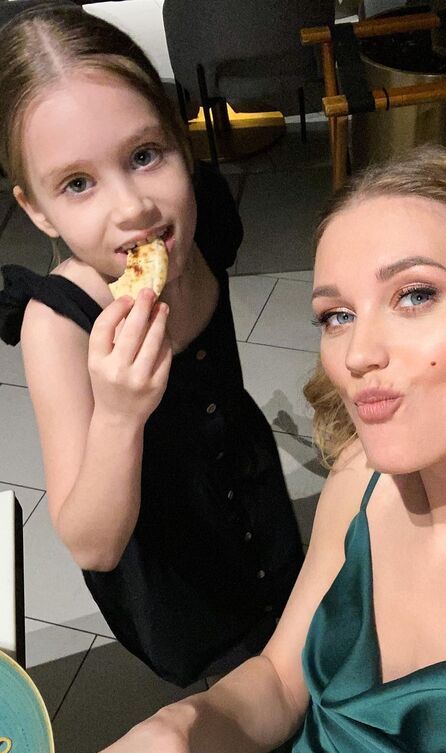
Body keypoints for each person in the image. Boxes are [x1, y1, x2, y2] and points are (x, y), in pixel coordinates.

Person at [52, 143, 446, 753]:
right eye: (337, 315)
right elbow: (279, 683)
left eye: (414, 295)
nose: (358, 353)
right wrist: (175, 727)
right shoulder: (365, 479)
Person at [0, 4, 303, 689]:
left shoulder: (203, 224)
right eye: (78, 184)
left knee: (291, 631)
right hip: (172, 565)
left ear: (182, 143)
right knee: (232, 689)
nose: (132, 207)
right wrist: (117, 414)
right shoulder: (59, 324)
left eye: (144, 156)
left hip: (251, 491)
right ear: (38, 210)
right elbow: (92, 542)